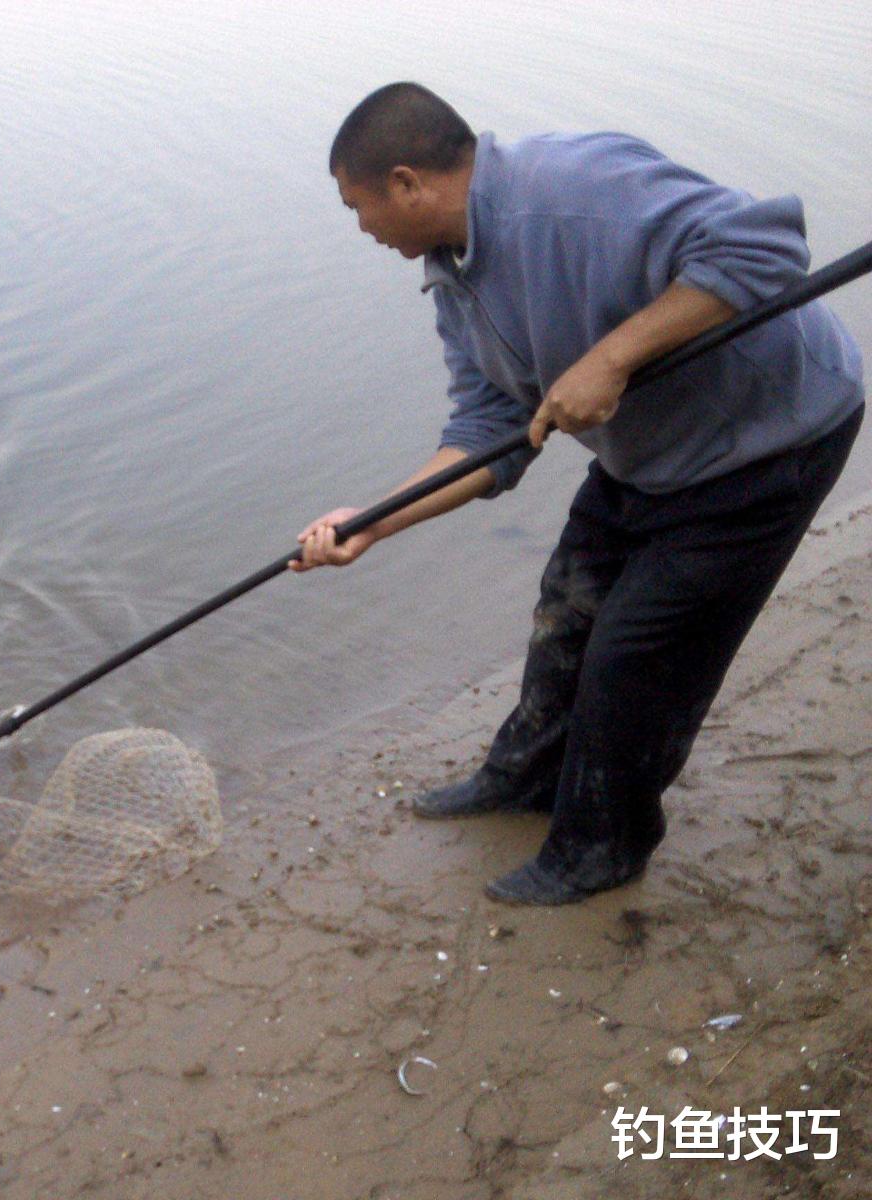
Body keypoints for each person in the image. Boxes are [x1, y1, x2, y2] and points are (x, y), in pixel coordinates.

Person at [293, 82, 864, 905]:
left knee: (636, 657)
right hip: (649, 453)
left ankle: (604, 847)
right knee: (567, 613)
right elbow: (492, 429)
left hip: (770, 439)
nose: (361, 229)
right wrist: (372, 523)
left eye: (358, 207)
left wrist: (613, 357)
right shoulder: (452, 272)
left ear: (409, 182)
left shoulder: (579, 191)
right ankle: (527, 780)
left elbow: (767, 245)